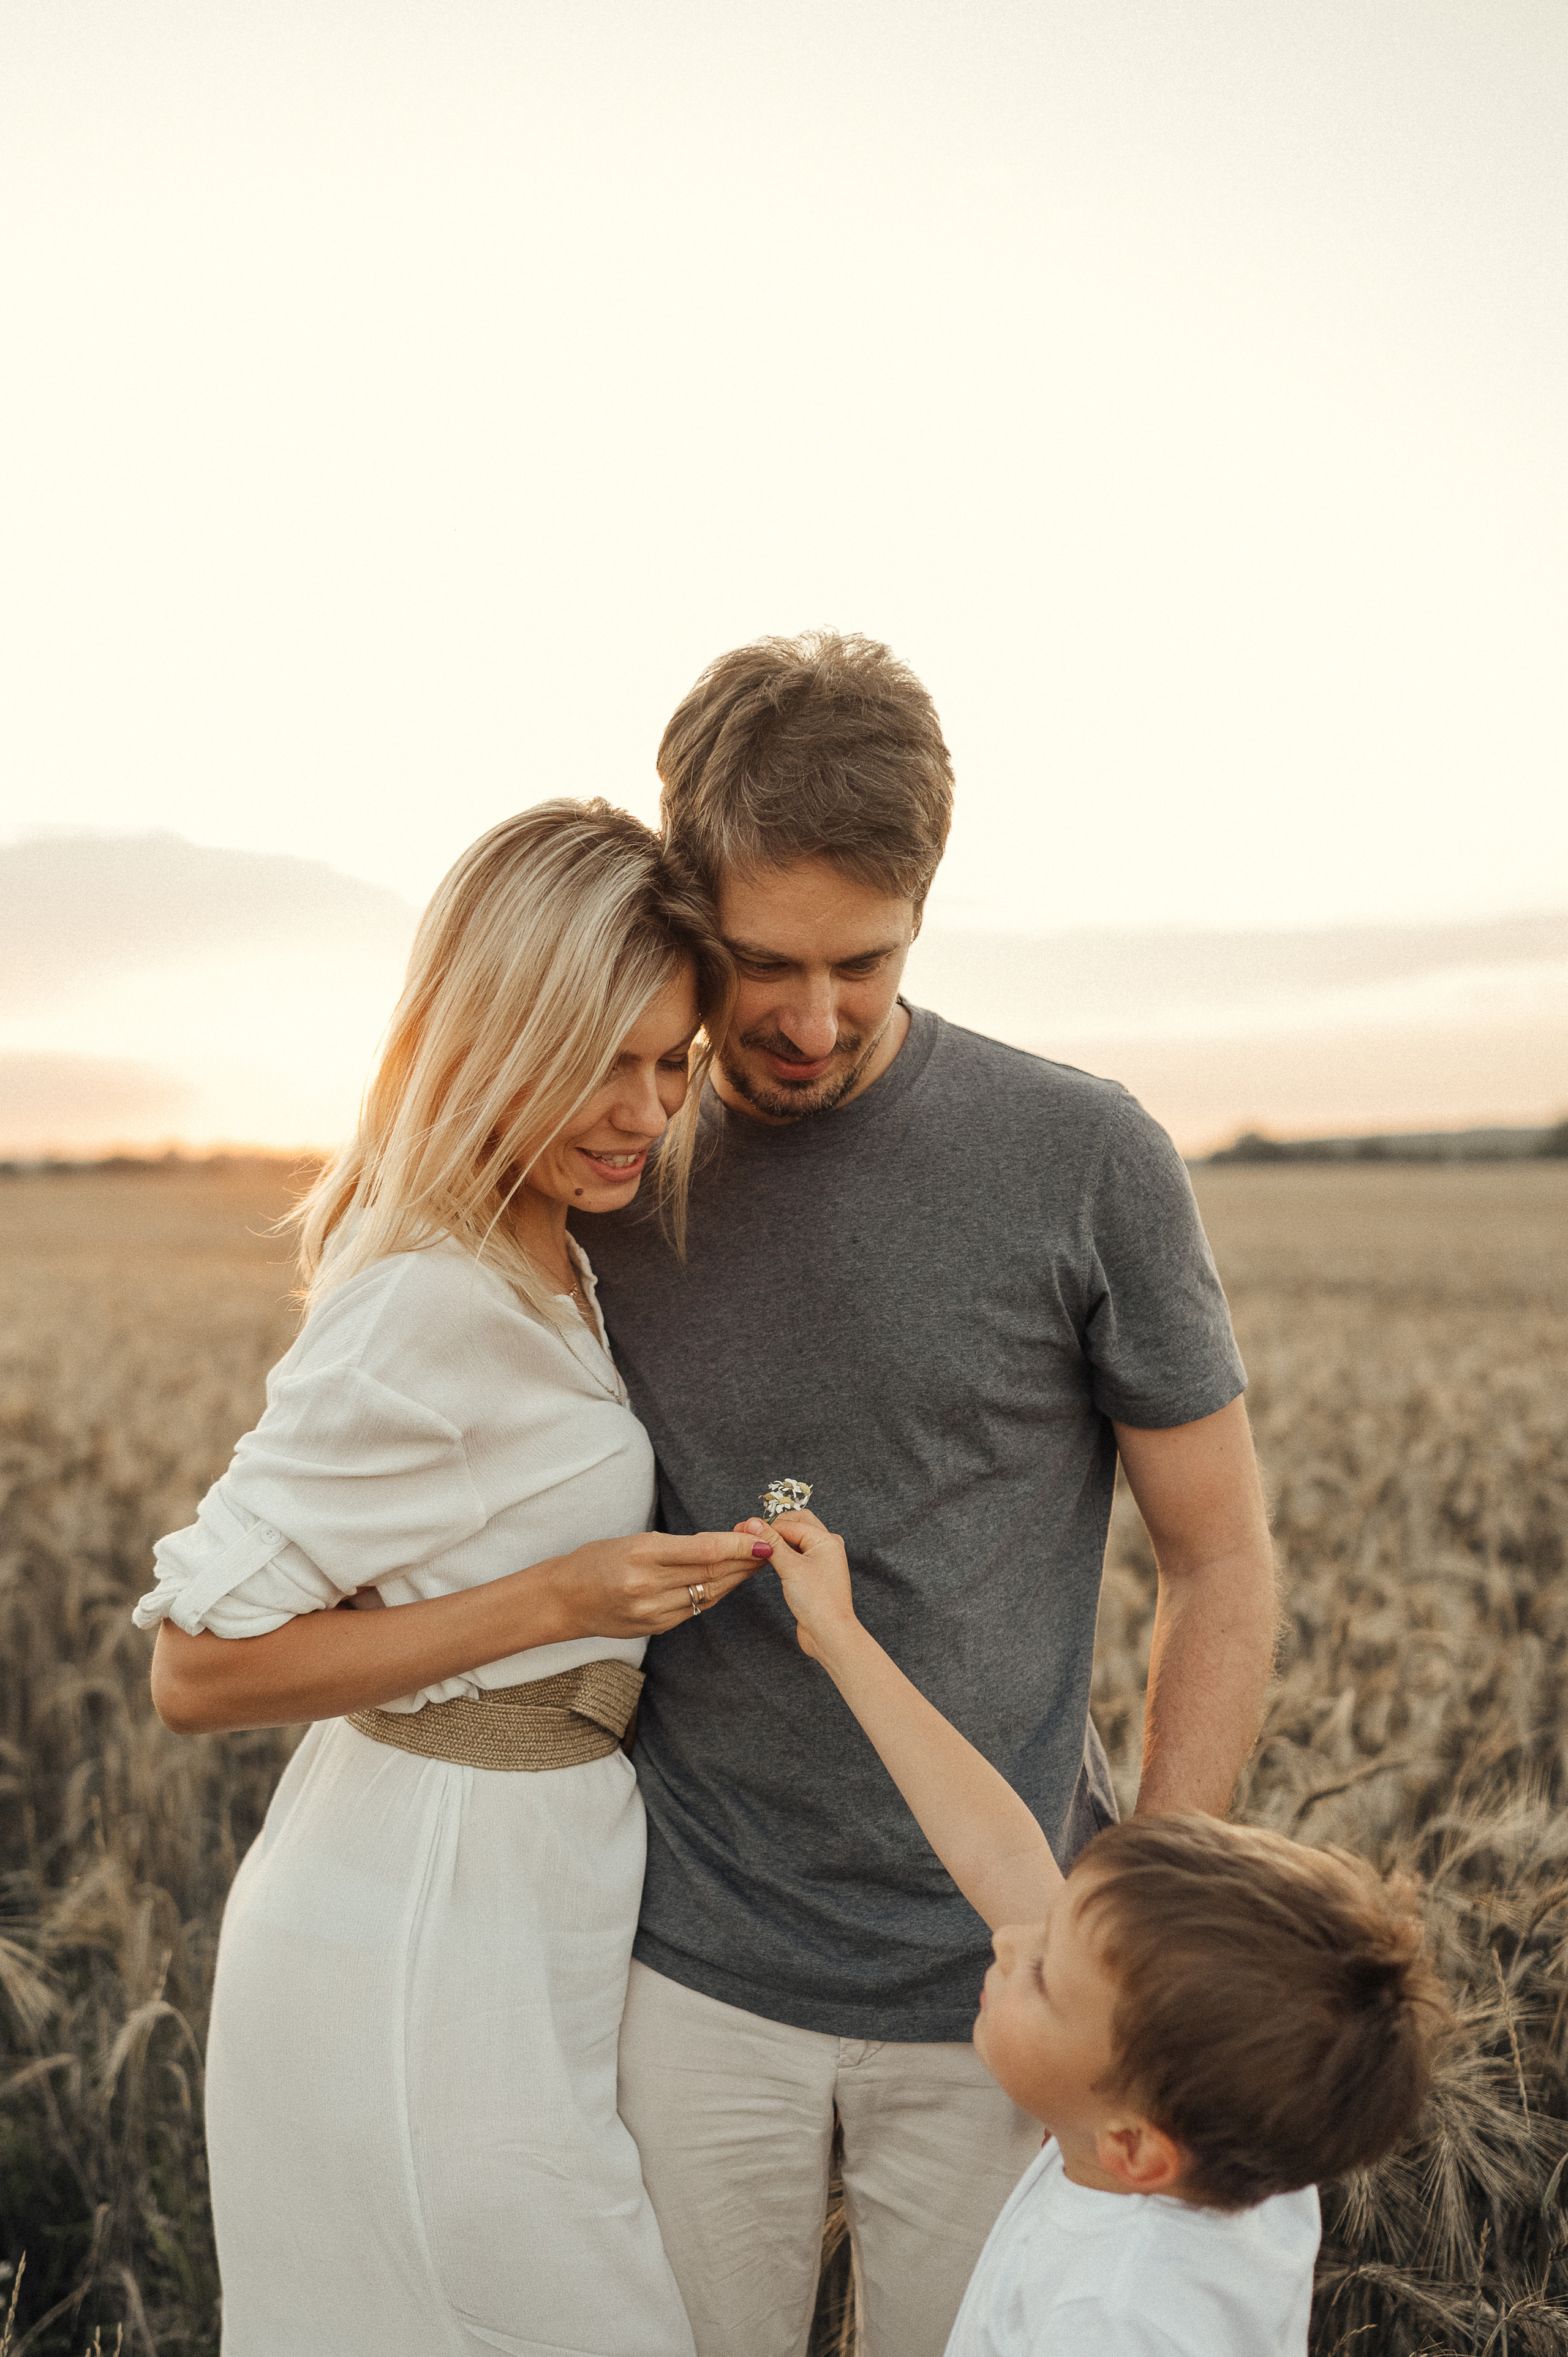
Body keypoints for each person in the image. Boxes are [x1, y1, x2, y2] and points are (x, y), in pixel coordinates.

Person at [581, 632, 1281, 2357]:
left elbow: (1224, 1557)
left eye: (865, 961)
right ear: (684, 902)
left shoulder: (1082, 1154)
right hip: (687, 1966)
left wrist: (1145, 1925)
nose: (813, 1019)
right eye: (761, 965)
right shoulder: (605, 1155)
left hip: (1010, 1985)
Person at [136, 801, 773, 2357]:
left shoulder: (553, 1249)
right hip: (408, 1929)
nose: (643, 1110)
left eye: (669, 1061)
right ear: (492, 1036)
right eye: (600, 1060)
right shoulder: (425, 1293)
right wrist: (560, 1602)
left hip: (521, 1906)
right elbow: (198, 1669)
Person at [756, 1501, 1447, 2357]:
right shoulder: (1227, 2145)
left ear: (1134, 2146)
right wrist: (838, 1635)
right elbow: (996, 1850)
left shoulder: (1119, 2320)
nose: (1011, 1940)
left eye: (1043, 1974)